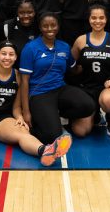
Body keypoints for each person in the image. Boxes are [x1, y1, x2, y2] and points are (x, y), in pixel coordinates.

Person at [0, 42, 73, 172]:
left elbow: (16, 107)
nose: (7, 57)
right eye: (3, 54)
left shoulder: (18, 76)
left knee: (23, 134)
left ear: (16, 58)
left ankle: (46, 151)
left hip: (3, 119)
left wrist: (20, 117)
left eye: (11, 54)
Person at [19, 13, 95, 144]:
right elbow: (24, 81)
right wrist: (26, 112)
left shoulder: (64, 47)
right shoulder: (30, 48)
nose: (50, 29)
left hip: (60, 89)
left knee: (88, 106)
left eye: (53, 25)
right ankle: (42, 122)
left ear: (58, 26)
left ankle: (54, 115)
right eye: (45, 26)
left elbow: (75, 69)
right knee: (52, 136)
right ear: (40, 28)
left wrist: (89, 59)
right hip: (39, 94)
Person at [70, 2, 110, 136]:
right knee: (80, 132)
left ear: (106, 19)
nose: (97, 21)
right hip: (87, 88)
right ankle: (94, 115)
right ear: (89, 19)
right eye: (94, 18)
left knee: (109, 101)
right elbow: (72, 66)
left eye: (101, 17)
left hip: (108, 88)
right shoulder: (80, 41)